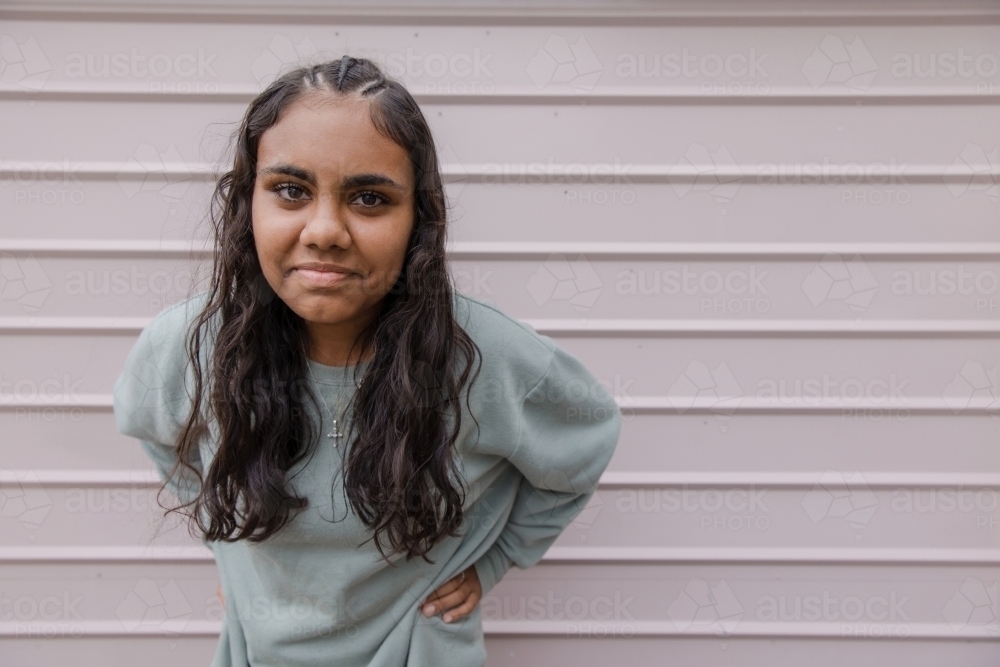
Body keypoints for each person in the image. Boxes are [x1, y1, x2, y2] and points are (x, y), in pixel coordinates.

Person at [113, 55, 621, 667]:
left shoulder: (485, 358)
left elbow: (586, 439)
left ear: (419, 222)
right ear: (248, 204)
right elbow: (153, 430)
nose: (325, 230)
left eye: (370, 198)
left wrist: (493, 561)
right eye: (291, 191)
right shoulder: (188, 348)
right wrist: (231, 555)